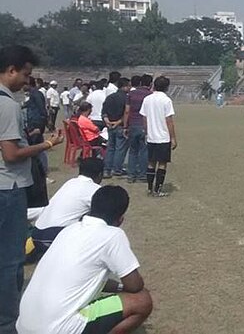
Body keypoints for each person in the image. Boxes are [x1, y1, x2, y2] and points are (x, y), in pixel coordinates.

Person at [17, 186, 152, 334]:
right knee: (142, 300)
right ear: (120, 219)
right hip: (57, 328)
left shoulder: (68, 230)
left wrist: (119, 287)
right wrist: (127, 286)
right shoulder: (112, 235)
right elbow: (134, 286)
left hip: (24, 324)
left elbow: (83, 278)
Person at [0, 45, 64, 332]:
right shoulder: (8, 105)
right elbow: (12, 154)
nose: (27, 81)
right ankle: (8, 321)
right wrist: (47, 145)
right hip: (8, 186)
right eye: (25, 75)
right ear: (11, 70)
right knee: (11, 259)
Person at [29, 158, 104, 260]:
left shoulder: (70, 182)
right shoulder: (95, 190)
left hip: (36, 234)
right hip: (52, 235)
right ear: (100, 175)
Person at [140, 76, 177, 197]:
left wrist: (146, 132)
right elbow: (169, 120)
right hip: (163, 136)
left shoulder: (147, 99)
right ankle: (158, 189)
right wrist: (173, 138)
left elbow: (144, 118)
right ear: (167, 87)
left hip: (151, 136)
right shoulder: (166, 100)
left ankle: (150, 188)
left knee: (151, 162)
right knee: (162, 163)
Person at [124, 74, 152, 184]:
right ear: (150, 84)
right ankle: (142, 174)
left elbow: (127, 111)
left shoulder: (130, 94)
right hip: (145, 125)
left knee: (133, 151)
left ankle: (131, 175)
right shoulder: (150, 95)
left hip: (133, 125)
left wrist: (125, 126)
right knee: (144, 151)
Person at [102, 78, 131, 178]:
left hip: (110, 125)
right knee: (120, 148)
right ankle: (117, 169)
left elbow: (104, 111)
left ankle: (107, 169)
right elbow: (127, 113)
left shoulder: (110, 97)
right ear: (126, 86)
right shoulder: (126, 98)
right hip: (120, 125)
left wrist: (107, 121)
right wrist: (119, 122)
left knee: (110, 148)